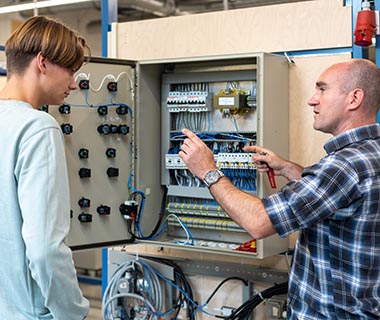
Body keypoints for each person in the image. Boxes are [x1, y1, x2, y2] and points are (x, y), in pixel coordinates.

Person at [179, 58, 380, 319]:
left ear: (354, 98)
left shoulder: (342, 166)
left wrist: (207, 171)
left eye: (322, 89)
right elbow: (336, 196)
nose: (312, 100)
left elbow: (259, 222)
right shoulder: (368, 154)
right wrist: (286, 168)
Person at [0, 16, 91, 319]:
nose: (74, 83)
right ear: (43, 62)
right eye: (70, 69)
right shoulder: (37, 128)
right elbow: (44, 250)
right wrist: (74, 312)